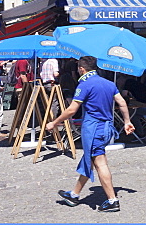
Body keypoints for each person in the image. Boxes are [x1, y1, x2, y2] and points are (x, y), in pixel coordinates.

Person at [47, 56, 134, 213]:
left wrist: (54, 122)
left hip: (94, 129)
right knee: (91, 159)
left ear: (81, 69)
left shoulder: (85, 85)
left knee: (100, 162)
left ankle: (112, 200)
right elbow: (121, 102)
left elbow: (72, 109)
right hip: (107, 128)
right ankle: (74, 194)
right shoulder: (109, 84)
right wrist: (127, 121)